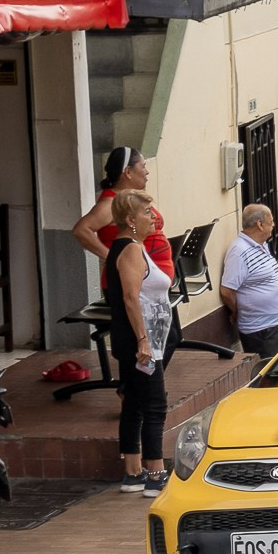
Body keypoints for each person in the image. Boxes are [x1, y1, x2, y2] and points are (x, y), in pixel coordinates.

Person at [105, 190, 175, 495]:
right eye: (147, 213)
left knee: (133, 403)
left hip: (140, 340)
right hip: (141, 344)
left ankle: (132, 473)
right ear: (131, 220)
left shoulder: (130, 246)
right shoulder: (130, 250)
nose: (153, 217)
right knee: (155, 405)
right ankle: (155, 473)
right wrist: (143, 341)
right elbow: (131, 297)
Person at [74, 147, 174, 276]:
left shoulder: (133, 198)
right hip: (132, 281)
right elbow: (81, 230)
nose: (147, 172)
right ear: (128, 172)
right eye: (143, 166)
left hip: (151, 281)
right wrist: (113, 259)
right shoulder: (111, 203)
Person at [221, 204, 278, 358]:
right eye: (271, 221)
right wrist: (237, 311)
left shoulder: (261, 246)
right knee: (268, 374)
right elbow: (227, 291)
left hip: (276, 322)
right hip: (262, 328)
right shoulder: (239, 252)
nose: (273, 225)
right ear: (260, 224)